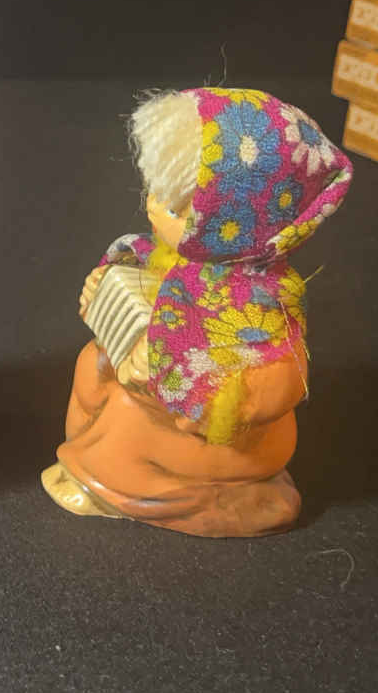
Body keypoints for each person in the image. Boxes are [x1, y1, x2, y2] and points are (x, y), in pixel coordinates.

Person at [43, 87, 351, 537]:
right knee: (93, 362)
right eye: (156, 191)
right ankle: (96, 461)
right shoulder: (177, 261)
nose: (153, 207)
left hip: (222, 440)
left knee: (126, 422)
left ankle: (116, 483)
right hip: (158, 402)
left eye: (175, 208)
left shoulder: (263, 305)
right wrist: (106, 296)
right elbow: (153, 298)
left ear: (239, 220)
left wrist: (170, 381)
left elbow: (272, 388)